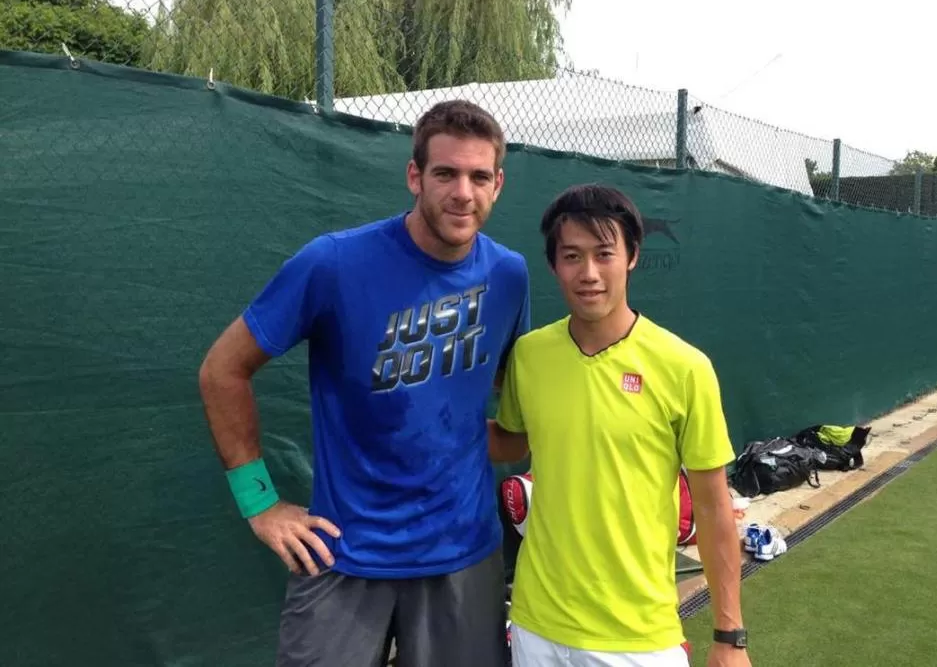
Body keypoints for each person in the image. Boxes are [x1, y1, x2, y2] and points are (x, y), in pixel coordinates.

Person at [198, 99, 531, 667]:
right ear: (414, 176)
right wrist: (260, 503)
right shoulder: (332, 262)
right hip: (345, 554)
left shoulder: (509, 275)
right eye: (445, 173)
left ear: (498, 184)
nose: (463, 193)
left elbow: (507, 401)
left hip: (464, 555)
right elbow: (222, 370)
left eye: (479, 176)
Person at [489, 183, 751, 667]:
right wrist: (426, 419)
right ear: (553, 265)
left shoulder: (684, 367)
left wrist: (729, 636)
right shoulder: (529, 356)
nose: (588, 273)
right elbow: (511, 442)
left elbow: (715, 509)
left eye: (603, 254)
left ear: (631, 256)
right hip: (535, 624)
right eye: (571, 256)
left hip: (639, 638)